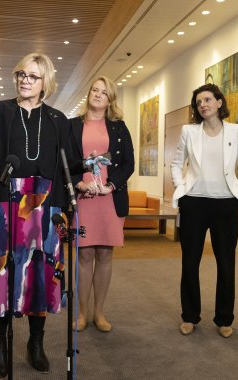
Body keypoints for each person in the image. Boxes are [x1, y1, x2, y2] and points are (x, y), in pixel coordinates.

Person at [0, 53, 72, 378]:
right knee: (0, 272)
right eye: (21, 74)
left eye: (33, 76)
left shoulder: (58, 119)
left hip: (44, 206)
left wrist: (65, 211)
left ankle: (35, 343)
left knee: (39, 274)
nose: (25, 80)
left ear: (46, 84)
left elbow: (68, 166)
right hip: (2, 204)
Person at [170, 83, 238, 338]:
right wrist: (181, 188)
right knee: (189, 262)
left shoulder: (236, 131)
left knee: (226, 263)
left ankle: (224, 318)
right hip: (193, 202)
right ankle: (190, 316)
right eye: (198, 102)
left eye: (207, 100)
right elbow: (176, 163)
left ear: (219, 102)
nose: (202, 105)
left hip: (225, 204)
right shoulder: (189, 131)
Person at [69, 76, 134, 332]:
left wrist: (111, 185)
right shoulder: (73, 125)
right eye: (94, 90)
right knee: (84, 254)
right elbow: (63, 160)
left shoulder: (119, 127)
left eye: (103, 92)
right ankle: (82, 313)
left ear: (110, 99)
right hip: (84, 199)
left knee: (105, 254)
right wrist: (79, 183)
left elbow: (128, 163)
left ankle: (99, 313)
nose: (97, 94)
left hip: (110, 199)